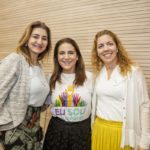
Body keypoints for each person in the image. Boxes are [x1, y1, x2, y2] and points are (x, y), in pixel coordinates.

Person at [91, 30, 150, 150]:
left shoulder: (133, 72)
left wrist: (145, 141)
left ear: (117, 47)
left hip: (123, 134)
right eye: (101, 46)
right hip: (99, 130)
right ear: (97, 52)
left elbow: (144, 105)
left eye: (110, 44)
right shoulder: (98, 74)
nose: (106, 48)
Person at [0, 21, 51, 150]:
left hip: (34, 127)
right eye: (35, 36)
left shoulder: (39, 67)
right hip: (14, 128)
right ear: (27, 39)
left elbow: (38, 101)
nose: (39, 41)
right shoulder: (15, 60)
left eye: (44, 38)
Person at [43, 38, 93, 150]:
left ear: (77, 56)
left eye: (70, 52)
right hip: (56, 131)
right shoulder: (51, 78)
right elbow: (43, 105)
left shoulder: (90, 77)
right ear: (56, 58)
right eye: (61, 53)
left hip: (82, 132)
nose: (66, 57)